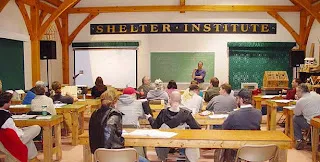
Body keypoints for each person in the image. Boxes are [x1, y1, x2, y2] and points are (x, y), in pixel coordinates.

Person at [89, 90, 149, 162]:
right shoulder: (115, 114)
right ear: (115, 101)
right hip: (114, 154)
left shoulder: (94, 114)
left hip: (99, 156)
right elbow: (112, 133)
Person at [145, 91, 201, 162]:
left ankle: (162, 158)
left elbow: (155, 126)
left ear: (169, 100)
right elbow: (196, 128)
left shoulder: (163, 113)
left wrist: (150, 118)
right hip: (183, 140)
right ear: (180, 101)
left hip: (164, 141)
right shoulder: (186, 114)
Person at [215, 89, 262, 162]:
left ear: (240, 99)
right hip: (253, 147)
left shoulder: (233, 115)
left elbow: (224, 129)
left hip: (236, 149)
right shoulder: (258, 113)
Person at [0, 92, 41, 162]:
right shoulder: (6, 117)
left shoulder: (3, 114)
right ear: (7, 103)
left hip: (4, 138)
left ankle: (33, 158)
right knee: (37, 127)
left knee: (28, 138)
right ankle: (33, 158)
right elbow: (17, 134)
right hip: (12, 139)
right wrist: (21, 131)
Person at [294, 83, 320, 150]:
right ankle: (311, 140)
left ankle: (299, 140)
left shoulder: (300, 101)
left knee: (295, 118)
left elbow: (297, 113)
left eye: (297, 91)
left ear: (301, 91)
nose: (296, 93)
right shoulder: (316, 95)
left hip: (311, 123)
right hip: (318, 119)